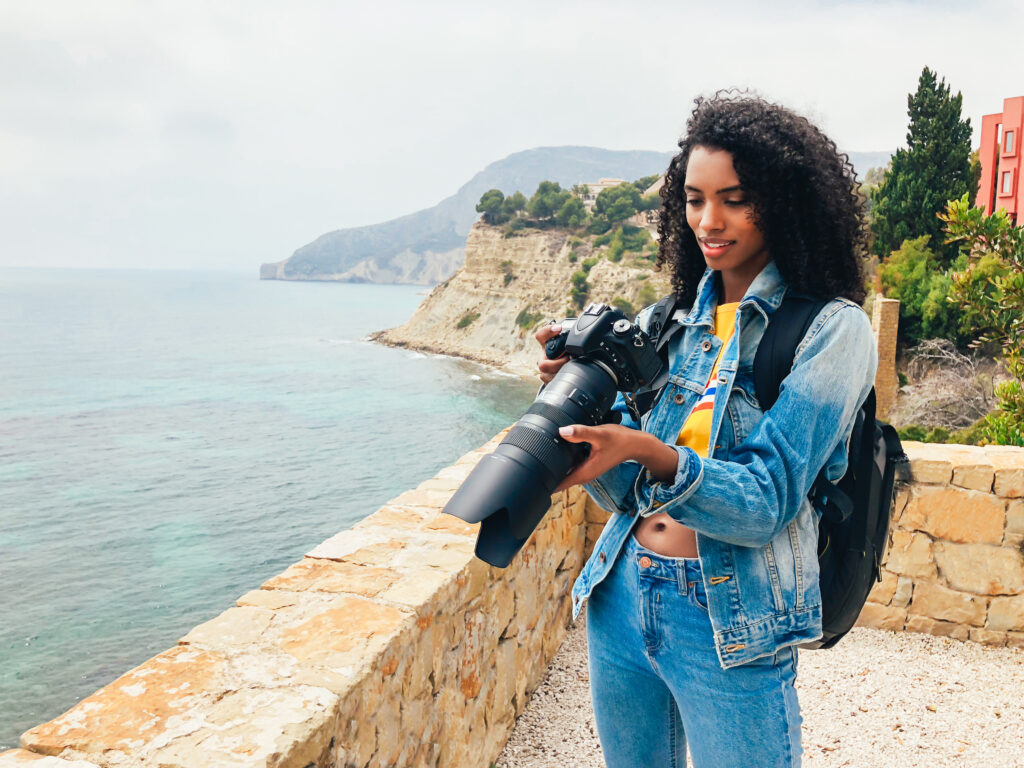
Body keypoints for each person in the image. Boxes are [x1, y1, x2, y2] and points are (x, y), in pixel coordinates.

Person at [535, 92, 877, 768]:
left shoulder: (833, 330)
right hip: (622, 591)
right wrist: (579, 416)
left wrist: (651, 452)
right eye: (694, 199)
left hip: (731, 616)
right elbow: (622, 493)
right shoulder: (668, 323)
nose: (709, 221)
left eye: (735, 198)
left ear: (782, 200)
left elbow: (766, 501)